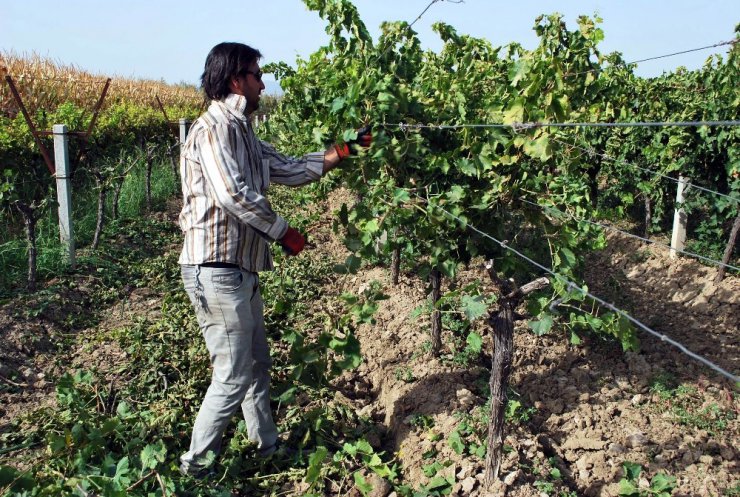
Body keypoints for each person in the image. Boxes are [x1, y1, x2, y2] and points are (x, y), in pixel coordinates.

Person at [177, 41, 371, 476]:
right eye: (256, 75)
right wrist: (285, 233)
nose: (263, 84)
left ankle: (266, 447)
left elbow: (291, 167)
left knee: (256, 364)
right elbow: (232, 195)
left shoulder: (244, 132)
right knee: (232, 373)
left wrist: (350, 148)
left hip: (239, 269)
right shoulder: (213, 130)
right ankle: (196, 467)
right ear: (235, 81)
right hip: (215, 270)